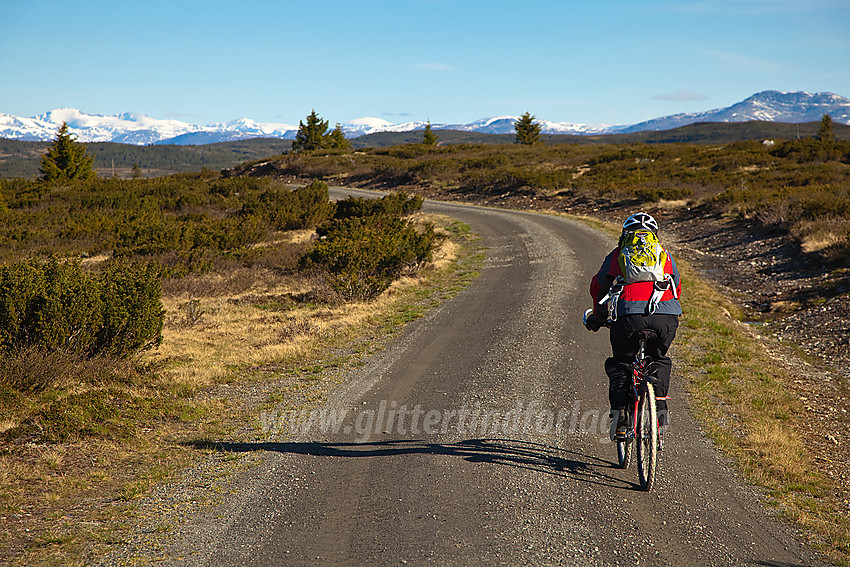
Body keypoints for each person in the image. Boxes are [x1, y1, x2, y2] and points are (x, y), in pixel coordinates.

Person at [584, 212, 682, 442]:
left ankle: (621, 423)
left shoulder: (618, 255)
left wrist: (598, 317)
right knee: (659, 359)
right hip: (665, 316)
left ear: (624, 235)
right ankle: (659, 417)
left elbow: (598, 287)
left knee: (621, 363)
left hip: (628, 317)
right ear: (654, 236)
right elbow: (676, 285)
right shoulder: (664, 255)